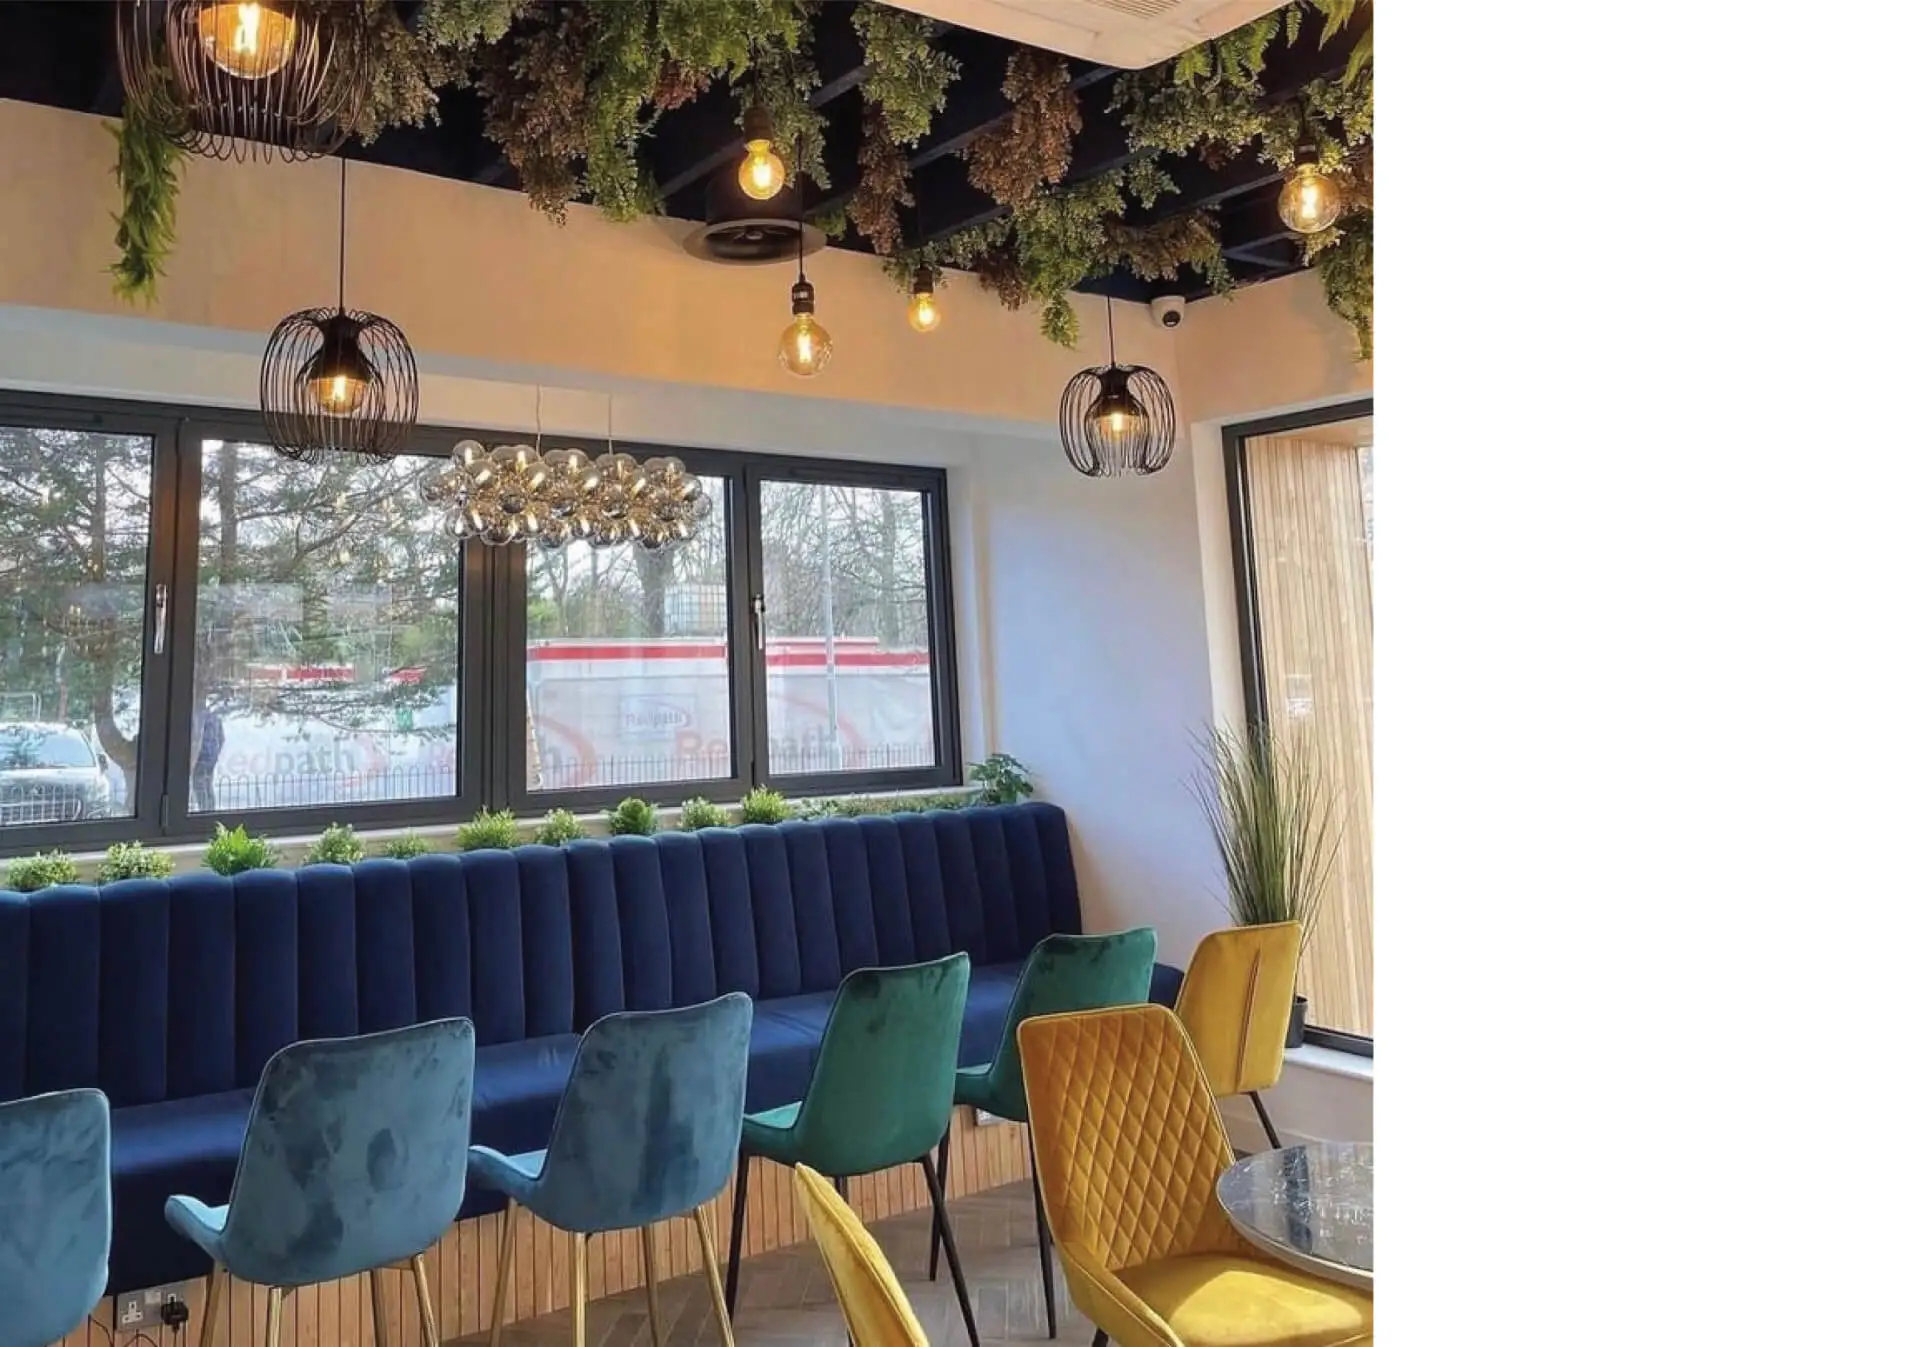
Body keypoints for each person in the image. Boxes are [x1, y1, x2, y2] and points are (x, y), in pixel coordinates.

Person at [191, 703, 224, 812]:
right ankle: (210, 812)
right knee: (208, 784)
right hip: (211, 758)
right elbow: (222, 738)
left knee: (199, 785)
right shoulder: (215, 717)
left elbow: (195, 738)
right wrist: (216, 753)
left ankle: (204, 812)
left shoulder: (198, 717)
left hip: (200, 757)